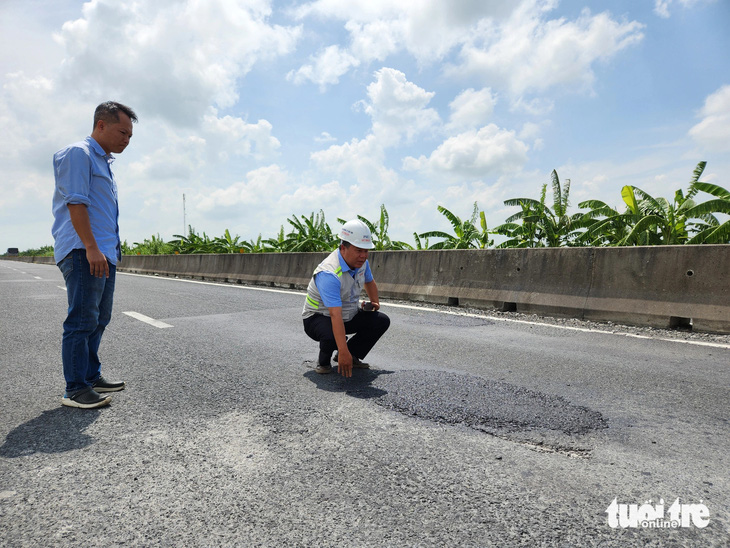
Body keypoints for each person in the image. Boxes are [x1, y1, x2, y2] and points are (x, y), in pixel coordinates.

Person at [51, 101, 138, 408]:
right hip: (83, 251)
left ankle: (89, 375)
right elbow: (76, 203)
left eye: (130, 135)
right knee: (82, 319)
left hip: (103, 253)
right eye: (122, 131)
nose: (126, 139)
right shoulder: (79, 153)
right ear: (101, 125)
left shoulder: (105, 163)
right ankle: (75, 389)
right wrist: (90, 247)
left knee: (100, 318)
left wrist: (109, 250)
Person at [302, 219, 390, 377]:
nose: (363, 256)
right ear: (343, 248)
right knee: (331, 334)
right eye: (358, 250)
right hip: (318, 318)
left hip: (346, 315)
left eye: (366, 251)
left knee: (381, 321)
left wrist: (375, 302)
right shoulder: (329, 273)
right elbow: (335, 314)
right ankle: (324, 362)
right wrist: (343, 350)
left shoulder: (361, 263)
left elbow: (369, 281)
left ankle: (353, 354)